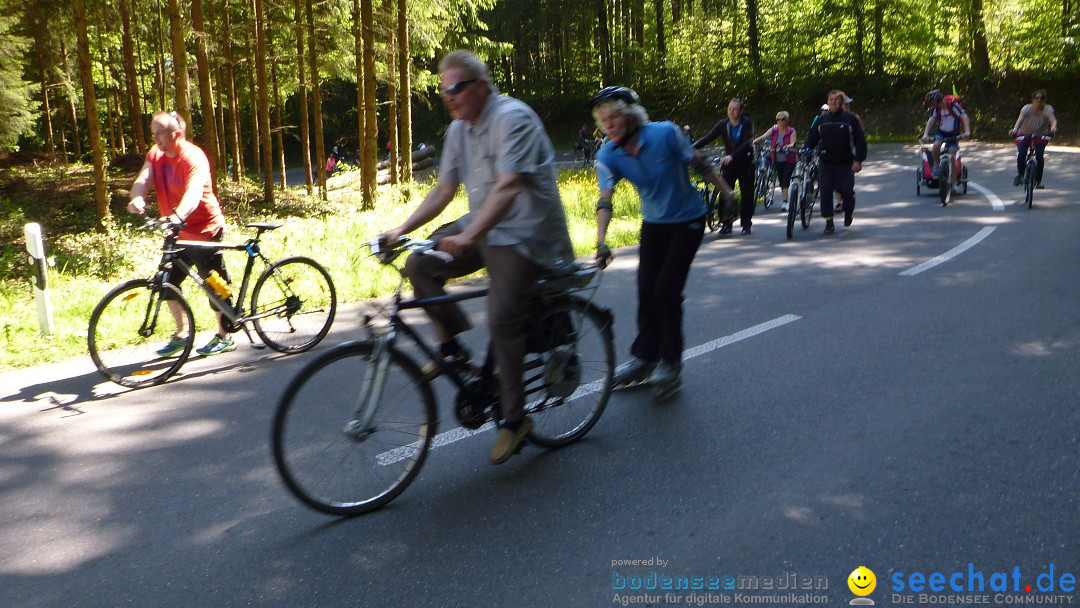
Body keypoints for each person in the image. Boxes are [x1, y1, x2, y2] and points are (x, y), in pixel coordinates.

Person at [380, 50, 574, 464]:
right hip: (485, 228)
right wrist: (401, 231)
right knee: (419, 264)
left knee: (502, 318)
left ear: (481, 86)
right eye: (443, 90)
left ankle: (514, 419)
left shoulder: (512, 118)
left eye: (457, 88)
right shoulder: (458, 131)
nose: (449, 97)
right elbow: (443, 190)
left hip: (527, 235)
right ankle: (452, 350)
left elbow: (508, 187)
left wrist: (469, 235)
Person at [591, 86, 734, 401]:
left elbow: (698, 162)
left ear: (630, 115)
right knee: (645, 289)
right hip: (654, 223)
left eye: (614, 116)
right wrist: (600, 242)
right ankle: (645, 357)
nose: (610, 124)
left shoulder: (665, 133)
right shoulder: (607, 154)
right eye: (604, 121)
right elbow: (605, 200)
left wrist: (727, 193)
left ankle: (670, 363)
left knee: (666, 290)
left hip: (688, 220)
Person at [127, 110, 235, 357]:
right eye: (152, 133)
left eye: (159, 133)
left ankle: (224, 335)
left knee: (214, 285)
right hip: (177, 233)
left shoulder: (193, 157)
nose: (155, 138)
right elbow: (144, 178)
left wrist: (177, 217)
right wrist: (137, 197)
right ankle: (182, 334)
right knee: (167, 283)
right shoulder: (156, 155)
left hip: (204, 229)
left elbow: (194, 193)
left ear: (176, 134)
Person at [803, 89, 867, 234]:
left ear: (842, 102)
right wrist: (805, 150)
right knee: (825, 192)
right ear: (827, 102)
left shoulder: (850, 119)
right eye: (831, 100)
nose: (834, 102)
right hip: (826, 163)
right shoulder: (821, 121)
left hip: (846, 163)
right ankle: (829, 222)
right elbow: (811, 139)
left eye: (837, 100)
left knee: (847, 193)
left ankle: (848, 213)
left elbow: (861, 142)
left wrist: (858, 160)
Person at [693, 98, 756, 235]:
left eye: (734, 109)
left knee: (747, 195)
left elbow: (748, 143)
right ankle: (726, 223)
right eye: (729, 109)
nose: (731, 111)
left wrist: (732, 155)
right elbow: (708, 137)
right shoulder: (723, 124)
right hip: (729, 164)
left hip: (746, 163)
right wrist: (689, 148)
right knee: (725, 192)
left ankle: (746, 224)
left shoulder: (747, 123)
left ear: (741, 110)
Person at [1008, 89, 1058, 188]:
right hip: (1024, 133)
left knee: (1039, 156)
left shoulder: (1048, 109)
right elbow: (1020, 120)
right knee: (1022, 153)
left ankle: (1038, 181)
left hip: (1040, 135)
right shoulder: (1026, 108)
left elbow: (1053, 120)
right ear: (1033, 99)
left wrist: (1053, 128)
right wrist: (1014, 130)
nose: (1039, 100)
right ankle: (1020, 175)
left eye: (1042, 98)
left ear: (1044, 99)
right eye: (1037, 97)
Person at [920, 89, 971, 178]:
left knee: (952, 156)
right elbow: (931, 120)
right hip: (941, 132)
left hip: (953, 134)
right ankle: (936, 165)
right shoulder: (936, 109)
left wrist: (967, 131)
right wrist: (925, 134)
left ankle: (954, 183)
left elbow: (964, 116)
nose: (932, 104)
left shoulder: (953, 105)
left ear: (938, 99)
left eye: (932, 102)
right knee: (936, 145)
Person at [752, 111, 797, 210]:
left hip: (789, 159)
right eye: (778, 119)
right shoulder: (774, 130)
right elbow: (763, 137)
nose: (780, 121)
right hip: (776, 159)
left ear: (787, 120)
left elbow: (793, 143)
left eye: (783, 119)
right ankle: (784, 198)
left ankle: (785, 202)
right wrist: (754, 142)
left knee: (785, 179)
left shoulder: (791, 131)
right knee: (781, 180)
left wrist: (784, 147)